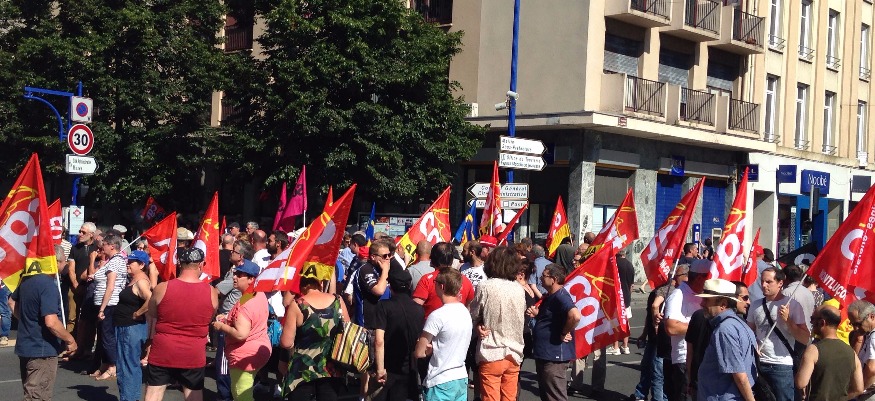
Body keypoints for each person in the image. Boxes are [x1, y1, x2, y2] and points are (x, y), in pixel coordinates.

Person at [144, 247, 219, 401]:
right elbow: (209, 317)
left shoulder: (162, 287)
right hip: (193, 351)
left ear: (179, 263)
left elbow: (152, 313)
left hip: (164, 348)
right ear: (201, 265)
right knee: (194, 394)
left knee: (153, 393)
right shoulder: (211, 291)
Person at [9, 244, 78, 400]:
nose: (65, 265)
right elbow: (51, 322)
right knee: (37, 396)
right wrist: (70, 339)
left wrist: (28, 320)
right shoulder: (47, 285)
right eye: (64, 261)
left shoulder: (27, 279)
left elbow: (11, 302)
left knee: (30, 392)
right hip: (41, 350)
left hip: (26, 346)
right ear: (56, 262)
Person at [468, 246, 526, 401]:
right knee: (509, 397)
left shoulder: (485, 286)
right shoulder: (519, 289)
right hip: (514, 351)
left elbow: (474, 313)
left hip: (491, 350)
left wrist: (478, 324)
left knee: (490, 397)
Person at [281, 273, 350, 401]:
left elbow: (286, 343)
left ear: (301, 285)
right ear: (320, 283)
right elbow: (348, 331)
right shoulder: (338, 301)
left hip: (302, 370)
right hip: (331, 368)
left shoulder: (298, 305)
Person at [746, 267, 809, 401]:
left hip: (782, 365)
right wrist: (753, 344)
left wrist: (788, 321)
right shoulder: (755, 305)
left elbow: (804, 338)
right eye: (762, 281)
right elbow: (749, 331)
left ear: (780, 283)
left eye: (769, 282)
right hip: (759, 363)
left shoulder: (793, 304)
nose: (764, 285)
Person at [213, 260, 271, 401]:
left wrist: (222, 326)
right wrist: (227, 318)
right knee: (242, 392)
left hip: (244, 355)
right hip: (257, 349)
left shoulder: (247, 303)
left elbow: (241, 334)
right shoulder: (258, 294)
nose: (235, 277)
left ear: (251, 279)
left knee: (241, 395)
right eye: (235, 273)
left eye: (239, 275)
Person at [414, 268, 473, 401]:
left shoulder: (437, 316)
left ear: (441, 286)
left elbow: (419, 352)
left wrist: (427, 349)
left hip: (440, 380)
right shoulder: (465, 312)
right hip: (460, 377)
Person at [685, 281, 749, 400]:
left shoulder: (725, 329)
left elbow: (740, 375)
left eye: (706, 300)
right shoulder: (737, 324)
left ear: (723, 304)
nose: (702, 304)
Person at [528, 263, 581, 401]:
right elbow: (551, 319)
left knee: (555, 396)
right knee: (547, 395)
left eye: (544, 275)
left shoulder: (561, 296)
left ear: (554, 279)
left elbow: (575, 316)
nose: (540, 278)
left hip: (554, 356)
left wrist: (563, 333)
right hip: (545, 354)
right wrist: (538, 315)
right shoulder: (550, 296)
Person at [374, 267, 425, 401]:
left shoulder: (383, 306)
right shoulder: (419, 309)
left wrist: (380, 369)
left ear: (390, 286)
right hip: (410, 368)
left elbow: (379, 341)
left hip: (389, 366)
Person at [662, 259, 709, 401]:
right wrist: (701, 328)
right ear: (700, 278)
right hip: (684, 359)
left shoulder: (703, 295)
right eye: (709, 278)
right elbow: (671, 327)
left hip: (701, 358)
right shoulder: (678, 295)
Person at [796, 305, 863, 401]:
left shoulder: (814, 350)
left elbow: (801, 383)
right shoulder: (851, 352)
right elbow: (859, 389)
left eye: (812, 319)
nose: (811, 322)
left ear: (822, 322)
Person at [114, 250, 153, 401]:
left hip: (130, 328)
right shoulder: (135, 279)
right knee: (126, 364)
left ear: (142, 265)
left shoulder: (141, 281)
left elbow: (151, 299)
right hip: (126, 327)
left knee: (127, 365)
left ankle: (129, 398)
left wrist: (138, 313)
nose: (128, 264)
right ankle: (129, 397)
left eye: (131, 262)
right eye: (128, 261)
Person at [92, 233, 128, 380]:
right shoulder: (112, 261)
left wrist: (102, 308)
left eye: (105, 244)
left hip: (110, 303)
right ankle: (106, 363)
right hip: (107, 303)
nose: (102, 247)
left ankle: (113, 366)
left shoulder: (115, 262)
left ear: (112, 246)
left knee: (108, 336)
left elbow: (111, 286)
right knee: (103, 335)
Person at [848, 300, 875, 398]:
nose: (855, 328)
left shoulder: (874, 336)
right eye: (852, 324)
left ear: (872, 317)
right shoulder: (868, 334)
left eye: (858, 324)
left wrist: (858, 391)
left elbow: (872, 369)